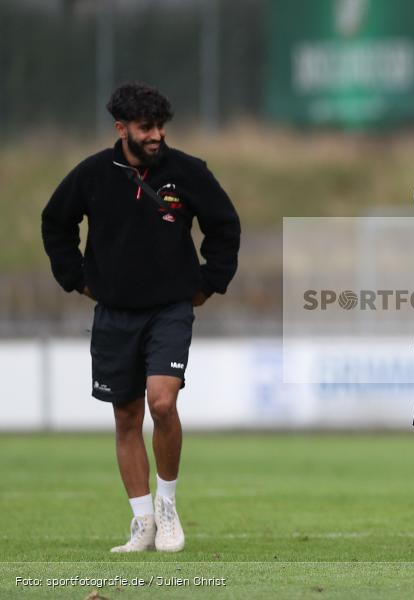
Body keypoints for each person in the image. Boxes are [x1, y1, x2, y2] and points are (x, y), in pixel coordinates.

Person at [41, 82, 241, 553]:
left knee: (162, 403)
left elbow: (225, 225)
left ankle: (168, 505)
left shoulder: (188, 172)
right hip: (113, 313)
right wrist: (76, 277)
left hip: (171, 309)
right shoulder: (92, 174)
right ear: (121, 128)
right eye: (146, 128)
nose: (156, 135)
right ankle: (142, 521)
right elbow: (55, 222)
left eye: (160, 127)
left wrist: (211, 281)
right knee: (126, 417)